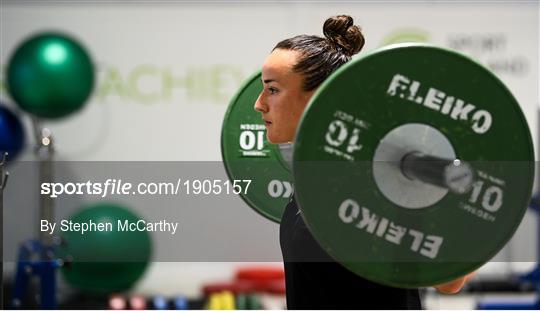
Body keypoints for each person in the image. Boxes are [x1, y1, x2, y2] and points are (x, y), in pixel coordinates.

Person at [254, 15, 475, 309]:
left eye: (272, 89)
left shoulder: (373, 173)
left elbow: (449, 278)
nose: (259, 103)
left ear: (320, 96)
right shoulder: (315, 174)